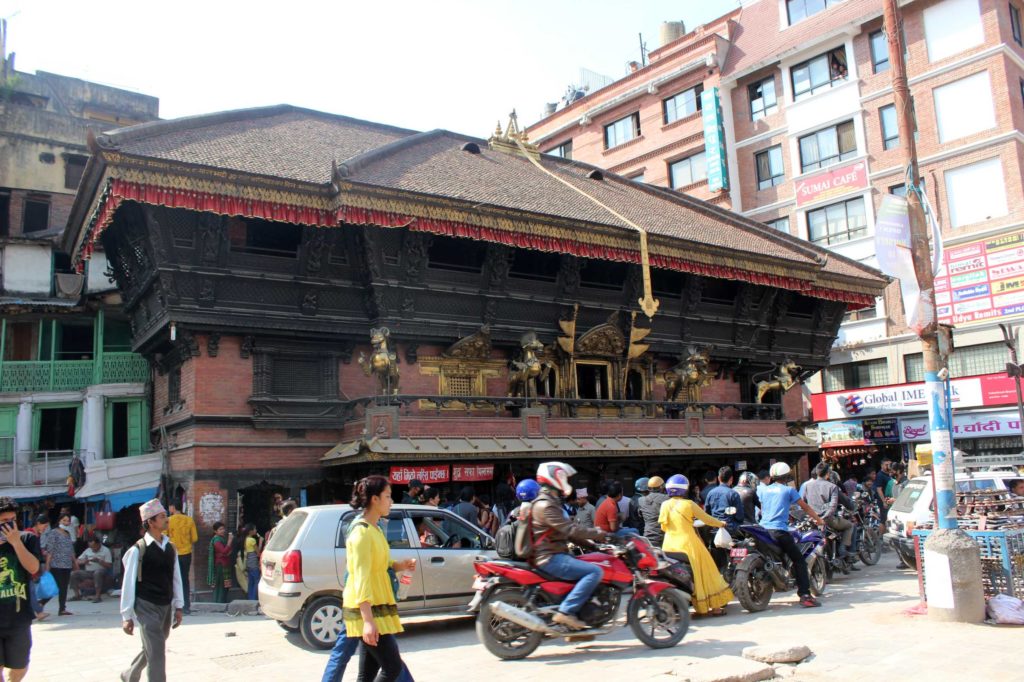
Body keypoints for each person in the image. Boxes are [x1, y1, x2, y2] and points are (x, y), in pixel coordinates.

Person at [342, 476, 417, 681]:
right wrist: (368, 621)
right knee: (392, 668)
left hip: (377, 605)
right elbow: (361, 577)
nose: (390, 501)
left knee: (367, 674)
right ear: (374, 499)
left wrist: (400, 565)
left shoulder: (374, 528)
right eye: (387, 496)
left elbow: (380, 563)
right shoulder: (361, 533)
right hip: (369, 608)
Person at [524, 462, 608, 630]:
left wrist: (594, 547)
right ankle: (566, 611)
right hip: (550, 558)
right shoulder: (546, 505)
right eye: (561, 477)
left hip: (554, 554)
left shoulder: (549, 502)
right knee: (595, 571)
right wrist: (599, 533)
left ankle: (575, 624)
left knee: (591, 564)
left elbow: (567, 533)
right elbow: (570, 529)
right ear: (552, 479)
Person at [120, 499, 184, 682]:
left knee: (155, 645)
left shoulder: (170, 548)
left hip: (165, 605)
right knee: (157, 651)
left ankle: (130, 674)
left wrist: (178, 606)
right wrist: (126, 616)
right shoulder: (137, 550)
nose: (167, 520)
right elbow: (128, 583)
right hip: (146, 605)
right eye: (163, 517)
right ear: (150, 522)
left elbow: (176, 578)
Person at [659, 474, 734, 617]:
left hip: (669, 546)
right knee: (705, 573)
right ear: (684, 489)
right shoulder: (689, 504)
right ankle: (715, 608)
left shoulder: (664, 505)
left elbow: (664, 527)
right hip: (689, 545)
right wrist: (721, 523)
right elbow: (706, 519)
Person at [758, 462, 827, 608]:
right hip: (779, 531)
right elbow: (805, 507)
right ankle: (805, 595)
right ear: (787, 476)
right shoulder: (789, 491)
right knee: (799, 561)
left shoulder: (764, 490)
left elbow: (765, 509)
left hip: (764, 530)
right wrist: (819, 519)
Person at [0, 497, 43, 682]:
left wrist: (16, 543)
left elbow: (33, 568)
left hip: (19, 617)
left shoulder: (27, 539)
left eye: (12, 520)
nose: (9, 525)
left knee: (19, 668)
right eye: (3, 521)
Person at [802, 463, 857, 572]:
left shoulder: (807, 486)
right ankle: (843, 548)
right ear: (827, 474)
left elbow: (804, 502)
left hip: (812, 520)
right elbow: (832, 507)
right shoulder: (832, 486)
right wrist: (823, 518)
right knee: (850, 525)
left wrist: (813, 517)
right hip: (828, 520)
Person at [40, 513, 75, 616]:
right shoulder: (53, 533)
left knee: (64, 587)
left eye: (68, 521)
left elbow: (71, 550)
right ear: (59, 521)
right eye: (64, 520)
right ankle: (41, 603)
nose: (66, 523)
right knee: (56, 587)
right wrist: (47, 565)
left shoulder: (68, 534)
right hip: (56, 565)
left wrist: (75, 562)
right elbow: (50, 550)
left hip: (67, 565)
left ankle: (62, 609)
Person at [166, 503, 198, 614]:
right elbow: (194, 538)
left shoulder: (168, 520)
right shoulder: (189, 520)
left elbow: (164, 537)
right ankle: (186, 607)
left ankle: (173, 606)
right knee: (184, 580)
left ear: (173, 507)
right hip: (186, 553)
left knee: (172, 579)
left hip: (173, 554)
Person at [70, 537, 113, 602]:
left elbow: (109, 565)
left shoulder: (106, 550)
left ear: (99, 544)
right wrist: (83, 562)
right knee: (73, 574)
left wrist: (99, 561)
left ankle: (97, 596)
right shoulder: (88, 550)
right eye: (91, 547)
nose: (92, 548)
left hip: (102, 571)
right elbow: (77, 561)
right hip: (88, 572)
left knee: (97, 573)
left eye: (94, 547)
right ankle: (77, 595)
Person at [704, 467, 744, 531]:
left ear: (718, 478)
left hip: (715, 529)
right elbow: (740, 516)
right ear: (731, 479)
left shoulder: (710, 493)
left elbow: (706, 513)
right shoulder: (733, 494)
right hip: (731, 529)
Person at [638, 475, 669, 547]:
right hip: (663, 537)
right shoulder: (666, 498)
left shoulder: (641, 500)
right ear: (661, 487)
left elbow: (640, 516)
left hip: (647, 536)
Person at [208, 523, 233, 604]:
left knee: (224, 585)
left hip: (224, 564)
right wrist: (229, 541)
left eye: (223, 529)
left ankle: (221, 602)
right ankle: (219, 602)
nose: (223, 531)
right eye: (220, 529)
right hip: (220, 565)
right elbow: (224, 551)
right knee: (221, 585)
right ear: (215, 531)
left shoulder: (221, 539)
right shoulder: (217, 540)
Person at [243, 524, 262, 601]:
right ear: (251, 531)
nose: (256, 530)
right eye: (255, 529)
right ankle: (254, 599)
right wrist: (260, 542)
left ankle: (250, 598)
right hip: (253, 561)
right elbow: (258, 553)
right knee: (256, 580)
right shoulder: (252, 540)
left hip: (248, 561)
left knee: (250, 581)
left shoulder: (245, 539)